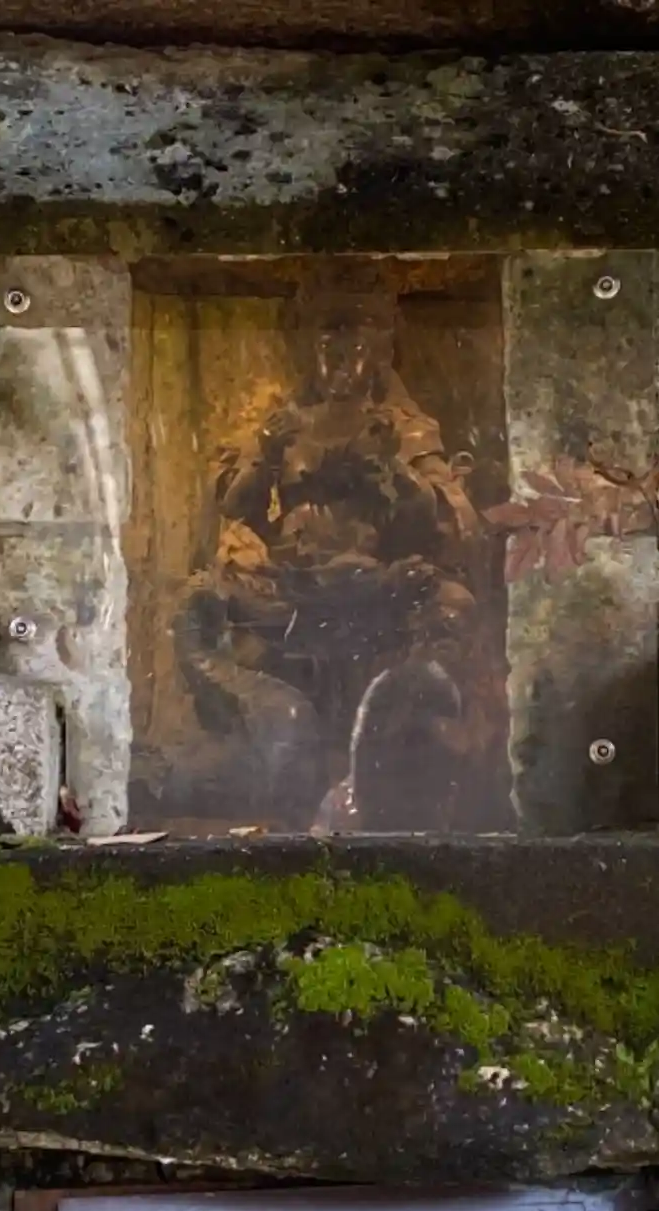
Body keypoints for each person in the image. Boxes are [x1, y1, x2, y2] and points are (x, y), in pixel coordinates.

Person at [168, 268, 485, 832]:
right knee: (201, 601)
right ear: (304, 345)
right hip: (293, 587)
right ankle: (244, 741)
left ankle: (418, 754)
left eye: (359, 345)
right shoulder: (283, 424)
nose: (343, 360)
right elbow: (236, 504)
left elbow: (439, 519)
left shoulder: (401, 427)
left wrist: (390, 466)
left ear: (382, 350)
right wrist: (269, 455)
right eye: (329, 341)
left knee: (453, 605)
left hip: (379, 586)